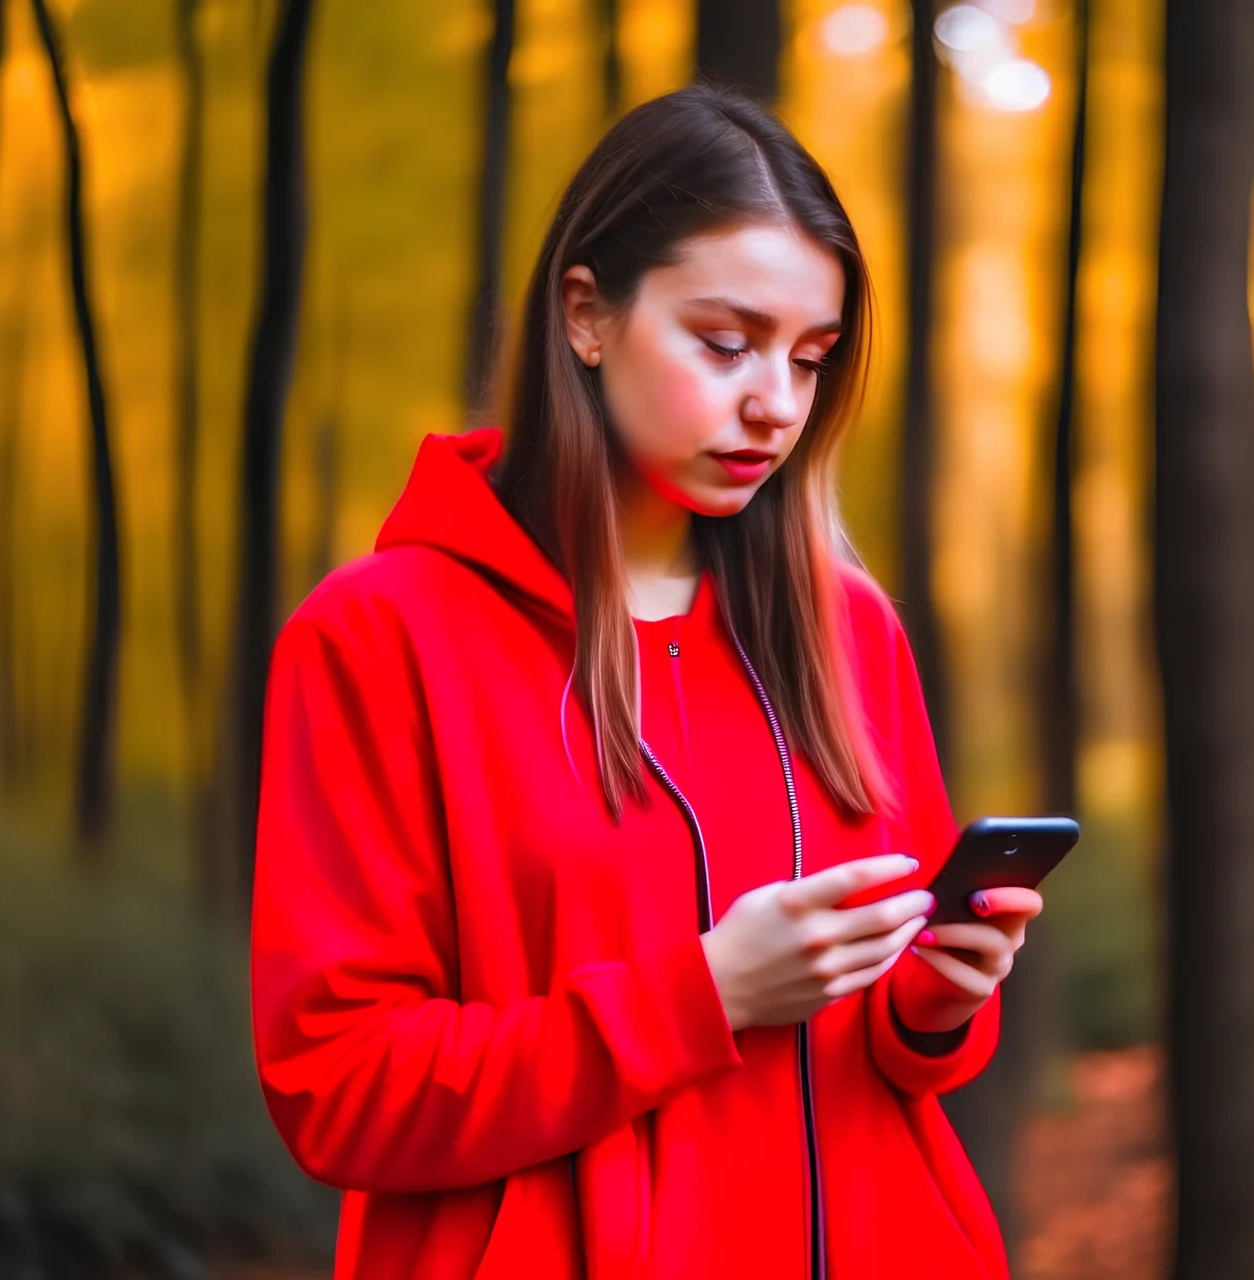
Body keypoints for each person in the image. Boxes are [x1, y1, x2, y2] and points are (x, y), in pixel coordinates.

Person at [250, 84, 1043, 1280]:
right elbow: (342, 1087)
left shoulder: (847, 628)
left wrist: (934, 1003)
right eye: (726, 343)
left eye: (811, 357)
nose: (775, 402)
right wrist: (701, 994)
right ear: (587, 313)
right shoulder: (377, 637)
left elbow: (889, 1051)